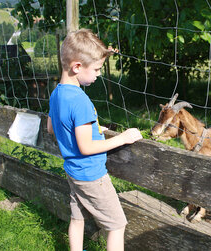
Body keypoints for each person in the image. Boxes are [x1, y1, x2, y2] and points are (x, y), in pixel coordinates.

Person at [47, 28, 143, 251]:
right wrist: (123, 138)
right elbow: (87, 146)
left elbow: (52, 128)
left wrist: (91, 127)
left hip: (72, 170)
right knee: (117, 225)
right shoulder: (81, 101)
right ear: (77, 66)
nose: (99, 74)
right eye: (97, 69)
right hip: (91, 174)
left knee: (78, 218)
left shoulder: (57, 93)